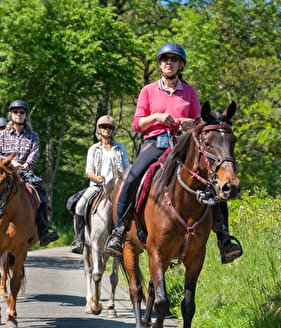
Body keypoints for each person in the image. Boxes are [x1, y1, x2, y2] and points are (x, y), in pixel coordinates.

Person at [105, 42, 242, 263]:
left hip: (183, 145)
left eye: (173, 59)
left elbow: (201, 125)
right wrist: (156, 117)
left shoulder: (189, 93)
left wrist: (189, 123)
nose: (168, 62)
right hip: (155, 143)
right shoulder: (148, 90)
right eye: (164, 59)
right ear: (160, 63)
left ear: (181, 65)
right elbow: (137, 124)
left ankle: (224, 238)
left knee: (210, 181)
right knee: (131, 177)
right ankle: (119, 231)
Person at [0, 100, 59, 246]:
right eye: (15, 112)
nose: (18, 114)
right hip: (6, 170)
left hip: (25, 173)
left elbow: (34, 153)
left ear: (26, 115)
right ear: (11, 115)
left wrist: (27, 165)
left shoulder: (33, 135)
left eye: (22, 112)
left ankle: (44, 231)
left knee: (40, 194)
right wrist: (10, 163)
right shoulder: (2, 135)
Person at [71, 115, 130, 254]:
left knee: (132, 206)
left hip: (117, 188)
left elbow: (127, 168)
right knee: (79, 206)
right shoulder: (93, 149)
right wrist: (97, 178)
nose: (107, 130)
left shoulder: (120, 148)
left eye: (109, 127)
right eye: (104, 127)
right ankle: (79, 241)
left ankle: (131, 239)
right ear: (99, 129)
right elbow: (88, 171)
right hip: (97, 187)